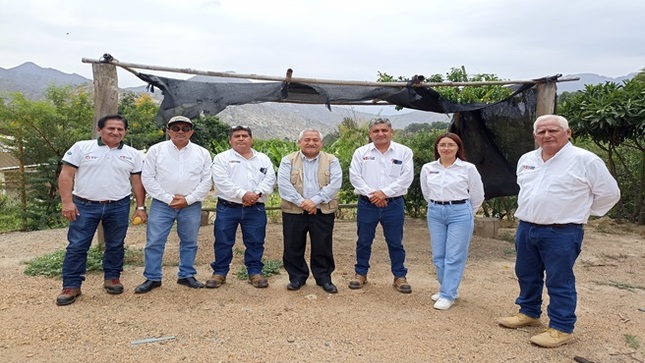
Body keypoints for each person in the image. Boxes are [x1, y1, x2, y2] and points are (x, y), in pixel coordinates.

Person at [498, 114, 620, 347]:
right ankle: (529, 312)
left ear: (568, 133)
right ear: (535, 136)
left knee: (559, 280)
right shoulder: (527, 159)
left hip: (562, 232)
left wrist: (582, 211)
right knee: (526, 273)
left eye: (553, 130)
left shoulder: (586, 160)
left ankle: (561, 327)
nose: (547, 135)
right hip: (526, 227)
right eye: (541, 132)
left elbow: (610, 194)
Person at [56, 114, 147, 306]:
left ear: (125, 132)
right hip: (84, 205)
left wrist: (140, 207)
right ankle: (71, 285)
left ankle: (112, 278)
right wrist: (67, 202)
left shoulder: (132, 154)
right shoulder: (81, 147)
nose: (115, 132)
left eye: (120, 129)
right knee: (77, 245)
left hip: (119, 205)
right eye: (111, 128)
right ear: (100, 130)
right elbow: (66, 174)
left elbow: (137, 182)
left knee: (115, 244)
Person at [134, 116, 213, 294]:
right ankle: (153, 277)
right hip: (162, 204)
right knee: (154, 242)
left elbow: (206, 180)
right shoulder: (156, 150)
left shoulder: (202, 153)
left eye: (185, 128)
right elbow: (148, 177)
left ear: (191, 132)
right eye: (175, 128)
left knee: (189, 242)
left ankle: (186, 275)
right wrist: (168, 198)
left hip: (191, 205)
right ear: (168, 131)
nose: (180, 132)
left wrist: (188, 199)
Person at [348, 118, 414, 293]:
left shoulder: (404, 152)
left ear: (391, 132)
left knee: (395, 242)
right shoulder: (361, 152)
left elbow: (406, 178)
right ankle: (360, 273)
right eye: (376, 131)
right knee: (363, 241)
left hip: (393, 205)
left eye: (384, 130)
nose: (380, 134)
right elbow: (355, 177)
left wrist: (384, 193)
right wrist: (374, 195)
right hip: (367, 204)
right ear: (370, 134)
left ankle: (399, 276)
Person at [420, 132, 484, 310]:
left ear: (458, 148)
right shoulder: (428, 168)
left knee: (454, 255)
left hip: (460, 212)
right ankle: (447, 289)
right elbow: (426, 192)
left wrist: (466, 213)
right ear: (437, 148)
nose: (446, 148)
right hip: (435, 212)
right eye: (442, 145)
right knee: (438, 255)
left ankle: (448, 295)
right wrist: (437, 206)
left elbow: (477, 195)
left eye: (451, 145)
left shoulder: (467, 168)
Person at [206, 125, 276, 289]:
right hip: (228, 207)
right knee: (223, 241)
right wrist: (243, 194)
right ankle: (220, 273)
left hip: (255, 208)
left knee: (255, 241)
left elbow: (270, 179)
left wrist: (255, 194)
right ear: (230, 140)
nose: (241, 139)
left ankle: (255, 272)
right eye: (236, 136)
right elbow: (221, 181)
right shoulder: (221, 158)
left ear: (251, 139)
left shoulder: (263, 159)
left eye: (244, 136)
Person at [278, 129, 342, 294]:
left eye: (315, 140)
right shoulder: (288, 160)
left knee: (323, 245)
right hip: (294, 210)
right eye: (307, 139)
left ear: (321, 143)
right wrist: (303, 203)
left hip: (322, 210)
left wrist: (314, 202)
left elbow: (335, 184)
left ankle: (324, 278)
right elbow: (284, 185)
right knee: (293, 245)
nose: (311, 143)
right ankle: (297, 277)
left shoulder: (332, 161)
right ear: (299, 142)